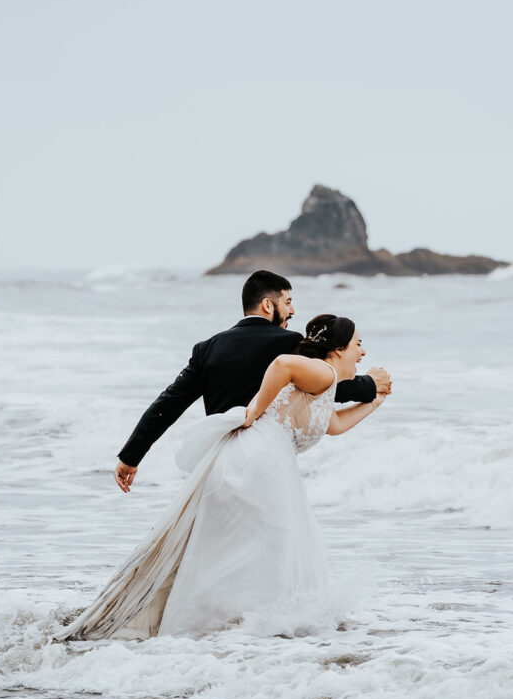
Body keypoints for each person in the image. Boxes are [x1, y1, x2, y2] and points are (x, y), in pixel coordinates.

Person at [59, 313, 388, 641]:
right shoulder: (325, 371)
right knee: (271, 547)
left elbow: (335, 426)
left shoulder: (322, 383)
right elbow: (281, 366)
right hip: (259, 459)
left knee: (245, 549)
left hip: (257, 458)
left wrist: (376, 400)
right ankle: (241, 630)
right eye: (359, 344)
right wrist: (255, 410)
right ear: (340, 349)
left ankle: (228, 628)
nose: (363, 352)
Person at [113, 270, 391, 492]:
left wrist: (131, 456)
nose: (293, 311)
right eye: (288, 302)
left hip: (218, 464)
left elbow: (169, 404)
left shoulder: (208, 348)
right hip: (264, 464)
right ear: (267, 305)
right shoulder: (291, 343)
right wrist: (370, 385)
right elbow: (328, 388)